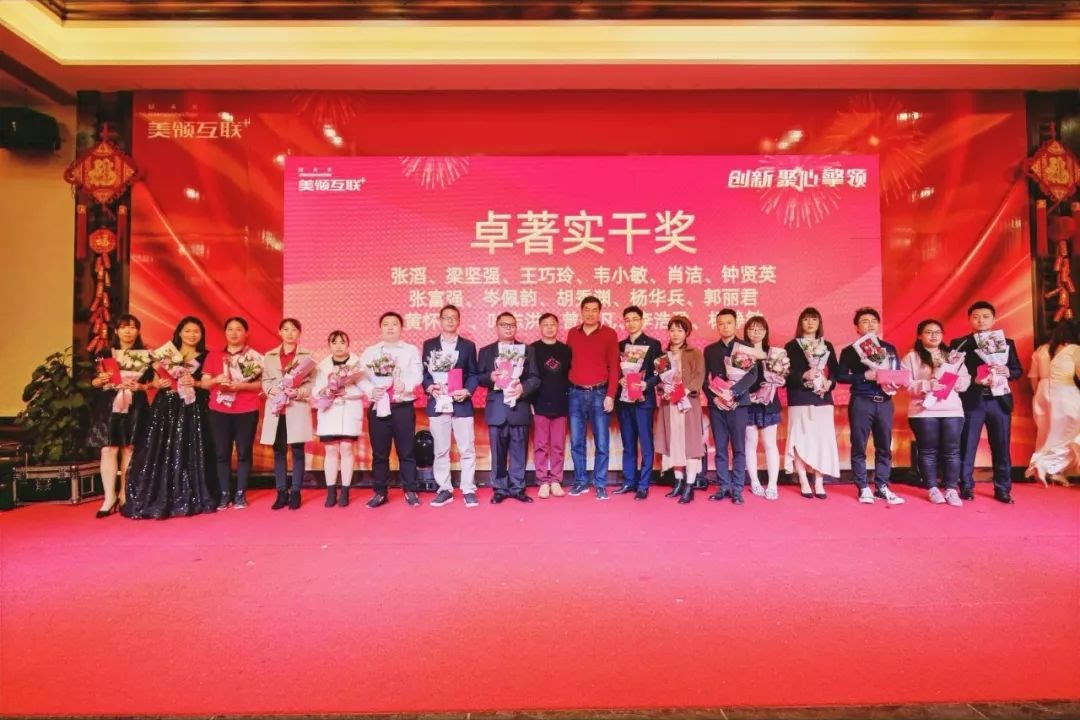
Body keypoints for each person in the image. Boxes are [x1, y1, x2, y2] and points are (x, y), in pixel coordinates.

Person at [124, 316, 217, 519]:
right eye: (187, 331)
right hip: (166, 407)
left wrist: (195, 383)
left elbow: (207, 383)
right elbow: (155, 381)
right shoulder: (166, 354)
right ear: (179, 333)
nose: (192, 335)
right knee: (161, 449)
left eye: (196, 331)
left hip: (193, 408)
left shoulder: (206, 356)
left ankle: (191, 495)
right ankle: (159, 496)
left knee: (190, 448)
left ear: (201, 335)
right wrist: (159, 383)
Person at [952, 301, 1024, 503]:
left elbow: (1017, 370)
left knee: (1001, 447)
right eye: (976, 317)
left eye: (985, 316)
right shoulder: (960, 343)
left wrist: (1008, 371)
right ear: (969, 319)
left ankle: (1003, 488)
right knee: (967, 445)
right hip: (972, 400)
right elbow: (952, 372)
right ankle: (966, 486)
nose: (980, 320)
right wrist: (973, 379)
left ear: (993, 319)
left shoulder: (1006, 342)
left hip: (999, 401)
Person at [836, 307, 906, 505]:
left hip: (885, 401)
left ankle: (882, 486)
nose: (870, 324)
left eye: (873, 321)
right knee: (859, 445)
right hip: (862, 401)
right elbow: (841, 376)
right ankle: (863, 487)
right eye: (864, 321)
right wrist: (864, 376)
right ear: (857, 328)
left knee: (884, 446)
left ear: (878, 325)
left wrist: (895, 381)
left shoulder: (889, 348)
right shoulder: (850, 351)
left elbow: (897, 372)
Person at [901, 319, 972, 506]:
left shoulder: (953, 357)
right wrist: (927, 385)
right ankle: (932, 488)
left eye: (937, 332)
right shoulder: (911, 357)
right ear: (920, 336)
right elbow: (906, 385)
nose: (933, 335)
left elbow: (965, 382)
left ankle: (951, 489)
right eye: (928, 332)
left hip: (952, 410)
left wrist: (952, 381)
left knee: (952, 451)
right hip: (923, 410)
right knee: (927, 450)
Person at [87, 314, 152, 518]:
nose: (128, 331)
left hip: (136, 404)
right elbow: (93, 382)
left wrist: (140, 386)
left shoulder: (147, 355)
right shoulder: (104, 354)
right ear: (116, 331)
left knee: (129, 449)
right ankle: (109, 497)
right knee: (108, 449)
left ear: (138, 331)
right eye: (123, 327)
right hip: (109, 404)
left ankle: (125, 494)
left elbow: (153, 383)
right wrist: (100, 380)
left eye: (132, 327)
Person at [359, 311, 424, 508]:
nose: (390, 327)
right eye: (386, 324)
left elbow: (418, 374)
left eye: (394, 324)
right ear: (380, 328)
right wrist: (370, 390)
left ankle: (410, 489)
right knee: (380, 453)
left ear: (401, 328)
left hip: (402, 406)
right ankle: (380, 492)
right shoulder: (370, 352)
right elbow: (360, 377)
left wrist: (406, 385)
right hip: (378, 405)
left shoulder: (410, 350)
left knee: (407, 451)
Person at [477, 312, 540, 503]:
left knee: (519, 451)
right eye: (504, 325)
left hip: (519, 407)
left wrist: (523, 388)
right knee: (498, 453)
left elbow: (535, 378)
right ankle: (500, 489)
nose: (508, 328)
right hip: (497, 408)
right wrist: (491, 378)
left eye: (512, 325)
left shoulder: (527, 350)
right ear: (496, 327)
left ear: (516, 327)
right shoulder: (486, 351)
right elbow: (479, 377)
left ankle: (518, 488)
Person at [421, 304, 480, 508]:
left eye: (453, 317)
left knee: (467, 449)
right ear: (440, 320)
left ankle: (468, 488)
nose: (450, 320)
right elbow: (425, 374)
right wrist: (430, 387)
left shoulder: (468, 346)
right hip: (438, 402)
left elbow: (474, 373)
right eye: (446, 317)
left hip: (461, 403)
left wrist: (467, 391)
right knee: (440, 450)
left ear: (459, 321)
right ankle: (444, 488)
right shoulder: (429, 345)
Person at [204, 316, 263, 511]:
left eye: (239, 329)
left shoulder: (254, 357)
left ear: (246, 333)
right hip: (219, 410)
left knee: (244, 452)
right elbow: (204, 383)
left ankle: (240, 493)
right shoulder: (214, 355)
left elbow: (260, 385)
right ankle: (224, 493)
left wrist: (239, 386)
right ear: (225, 332)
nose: (234, 333)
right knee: (222, 453)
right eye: (230, 329)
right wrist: (216, 380)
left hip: (246, 409)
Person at [565, 295, 620, 500]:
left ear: (600, 312)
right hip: (575, 394)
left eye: (594, 310)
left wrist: (611, 395)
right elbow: (568, 363)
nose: (590, 313)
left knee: (602, 443)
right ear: (581, 311)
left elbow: (614, 366)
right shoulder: (573, 333)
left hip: (600, 393)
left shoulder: (609, 334)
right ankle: (580, 482)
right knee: (576, 442)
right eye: (586, 309)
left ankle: (600, 483)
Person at [783, 307, 841, 500]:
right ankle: (803, 480)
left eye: (814, 319)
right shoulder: (792, 346)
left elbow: (835, 372)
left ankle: (819, 481)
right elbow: (785, 373)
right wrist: (803, 375)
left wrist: (829, 383)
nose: (810, 323)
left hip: (822, 399)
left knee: (822, 441)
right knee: (799, 441)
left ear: (819, 323)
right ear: (800, 323)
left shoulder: (827, 345)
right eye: (806, 319)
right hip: (799, 399)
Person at [703, 308, 759, 505]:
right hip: (717, 406)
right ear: (716, 326)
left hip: (739, 405)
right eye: (721, 324)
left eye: (728, 323)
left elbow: (753, 375)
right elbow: (704, 379)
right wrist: (714, 398)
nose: (724, 327)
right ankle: (723, 486)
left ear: (736, 324)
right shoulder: (710, 350)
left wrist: (734, 393)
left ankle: (737, 489)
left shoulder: (746, 347)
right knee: (720, 448)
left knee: (739, 448)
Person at [260, 318, 315, 511]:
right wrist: (272, 391)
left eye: (293, 330)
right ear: (280, 332)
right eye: (285, 329)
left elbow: (312, 383)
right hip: (277, 409)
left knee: (298, 451)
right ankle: (281, 492)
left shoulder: (308, 357)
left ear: (299, 333)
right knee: (279, 451)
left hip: (296, 407)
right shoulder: (269, 356)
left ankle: (296, 491)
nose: (289, 333)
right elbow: (265, 380)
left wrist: (298, 392)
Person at [654, 316, 706, 503]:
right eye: (672, 330)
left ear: (687, 333)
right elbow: (659, 382)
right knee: (673, 443)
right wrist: (664, 387)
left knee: (690, 445)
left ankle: (689, 485)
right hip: (669, 406)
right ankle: (678, 482)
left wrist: (685, 389)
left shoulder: (694, 353)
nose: (675, 334)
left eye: (680, 330)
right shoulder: (662, 357)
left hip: (687, 404)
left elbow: (699, 375)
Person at [615, 305, 663, 499]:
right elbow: (614, 371)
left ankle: (643, 484)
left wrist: (646, 384)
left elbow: (661, 372)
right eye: (627, 320)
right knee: (628, 443)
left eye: (635, 319)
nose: (631, 323)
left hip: (644, 401)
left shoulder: (654, 344)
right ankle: (629, 481)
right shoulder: (619, 346)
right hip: (624, 401)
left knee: (645, 443)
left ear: (642, 321)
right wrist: (619, 379)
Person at [313, 330, 364, 508]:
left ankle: (345, 490)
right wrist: (325, 391)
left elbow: (364, 388)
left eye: (342, 342)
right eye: (334, 342)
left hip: (349, 412)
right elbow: (315, 389)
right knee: (331, 450)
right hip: (329, 412)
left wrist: (346, 391)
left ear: (348, 344)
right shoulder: (322, 365)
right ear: (329, 345)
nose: (338, 346)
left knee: (346, 449)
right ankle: (331, 491)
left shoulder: (357, 364)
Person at [1026, 320, 1079, 486]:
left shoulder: (1041, 350)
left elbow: (1033, 377)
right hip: (1065, 391)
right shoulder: (1074, 349)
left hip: (1042, 391)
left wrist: (1038, 395)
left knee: (1046, 433)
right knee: (1068, 433)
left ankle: (1050, 470)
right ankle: (1049, 466)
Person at [742, 315, 784, 501]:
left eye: (759, 329)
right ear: (746, 332)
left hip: (769, 404)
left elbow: (783, 377)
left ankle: (773, 484)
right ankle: (755, 482)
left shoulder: (775, 354)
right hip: (748, 402)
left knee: (769, 444)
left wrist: (779, 379)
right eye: (752, 329)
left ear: (766, 332)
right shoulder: (741, 354)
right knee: (750, 443)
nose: (755, 332)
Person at [531, 313, 571, 499]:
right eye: (545, 324)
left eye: (552, 324)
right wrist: (531, 402)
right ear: (540, 327)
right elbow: (529, 378)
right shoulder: (532, 349)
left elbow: (569, 377)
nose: (549, 327)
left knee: (557, 445)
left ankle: (556, 480)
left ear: (557, 326)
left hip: (561, 403)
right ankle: (542, 481)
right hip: (539, 403)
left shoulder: (565, 350)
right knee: (540, 445)